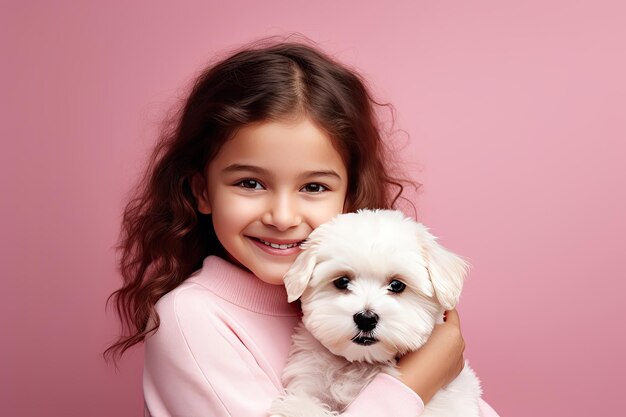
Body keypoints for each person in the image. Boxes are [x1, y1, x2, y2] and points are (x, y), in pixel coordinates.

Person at [105, 38, 500, 417]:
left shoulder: (358, 307)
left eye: (313, 187)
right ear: (201, 191)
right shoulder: (190, 318)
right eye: (250, 183)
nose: (282, 216)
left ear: (348, 198)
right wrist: (417, 381)